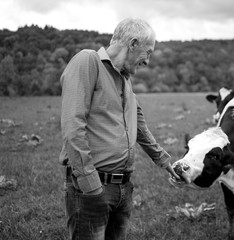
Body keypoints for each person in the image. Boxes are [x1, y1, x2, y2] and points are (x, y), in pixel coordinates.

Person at [59, 18, 180, 240]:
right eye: (148, 52)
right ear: (133, 43)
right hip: (93, 189)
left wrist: (163, 160)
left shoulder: (125, 79)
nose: (149, 61)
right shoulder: (88, 61)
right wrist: (91, 185)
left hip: (123, 188)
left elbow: (139, 125)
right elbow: (72, 125)